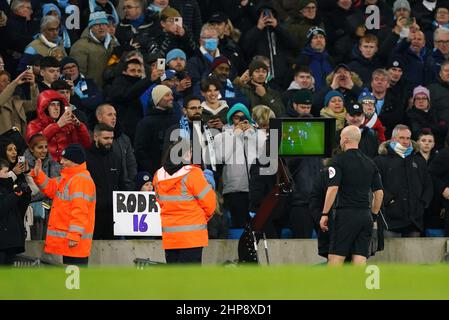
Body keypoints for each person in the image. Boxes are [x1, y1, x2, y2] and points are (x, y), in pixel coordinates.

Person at [320, 125, 384, 265]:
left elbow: (332, 189)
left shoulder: (337, 161)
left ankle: (331, 287)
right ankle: (357, 287)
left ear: (345, 140)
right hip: (365, 216)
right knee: (360, 257)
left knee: (335, 257)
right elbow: (379, 193)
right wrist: (373, 215)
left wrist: (325, 213)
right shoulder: (370, 162)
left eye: (342, 138)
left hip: (346, 215)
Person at [31, 143, 96, 266]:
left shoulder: (80, 180)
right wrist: (38, 174)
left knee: (75, 282)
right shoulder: (69, 177)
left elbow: (80, 211)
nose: (61, 162)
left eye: (65, 159)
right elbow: (51, 188)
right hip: (70, 243)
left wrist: (74, 235)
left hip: (75, 243)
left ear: (75, 161)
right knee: (71, 281)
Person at [153, 138, 216, 264]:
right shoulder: (193, 173)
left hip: (171, 238)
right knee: (191, 280)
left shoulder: (158, 175)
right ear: (187, 153)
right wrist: (201, 219)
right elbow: (210, 204)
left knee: (175, 280)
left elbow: (160, 203)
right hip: (193, 237)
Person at [374, 124, 433, 238]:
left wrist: (422, 204)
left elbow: (428, 185)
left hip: (414, 220)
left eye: (407, 138)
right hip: (390, 219)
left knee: (412, 255)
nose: (405, 141)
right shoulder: (380, 160)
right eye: (401, 138)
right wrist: (388, 200)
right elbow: (375, 184)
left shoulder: (418, 160)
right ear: (393, 139)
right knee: (390, 255)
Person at [86, 123, 126, 240]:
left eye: (111, 138)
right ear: (95, 137)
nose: (109, 141)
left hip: (113, 215)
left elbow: (122, 182)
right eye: (106, 138)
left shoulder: (116, 158)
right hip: (93, 213)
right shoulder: (86, 158)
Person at [23, 133, 61, 240]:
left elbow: (58, 191)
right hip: (32, 215)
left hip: (52, 214)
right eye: (40, 147)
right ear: (31, 149)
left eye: (45, 147)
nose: (44, 150)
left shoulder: (54, 165)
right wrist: (47, 192)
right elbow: (27, 194)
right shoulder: (24, 167)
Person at [134, 84, 178, 174]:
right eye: (167, 95)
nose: (171, 98)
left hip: (175, 171)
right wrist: (154, 171)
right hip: (154, 173)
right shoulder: (145, 123)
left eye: (171, 94)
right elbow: (140, 150)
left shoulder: (176, 119)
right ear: (157, 99)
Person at [69, 11, 118, 89]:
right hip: (90, 92)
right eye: (97, 25)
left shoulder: (114, 43)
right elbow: (78, 74)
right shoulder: (81, 46)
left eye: (104, 24)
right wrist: (84, 92)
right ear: (90, 27)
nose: (101, 27)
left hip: (109, 90)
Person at [95, 103, 137, 190]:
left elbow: (131, 164)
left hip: (124, 188)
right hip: (102, 188)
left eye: (115, 115)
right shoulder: (92, 137)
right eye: (109, 115)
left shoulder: (124, 139)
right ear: (99, 117)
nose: (114, 118)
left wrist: (130, 183)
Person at [0, 158, 31, 265]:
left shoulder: (10, 187)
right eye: (5, 172)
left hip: (12, 241)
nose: (8, 174)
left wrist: (26, 194)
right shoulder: (9, 190)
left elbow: (21, 209)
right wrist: (15, 195)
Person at [0, 68, 38, 136]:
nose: (8, 83)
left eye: (9, 80)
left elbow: (34, 105)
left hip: (19, 143)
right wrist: (15, 82)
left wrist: (32, 85)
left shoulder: (16, 101)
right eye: (4, 81)